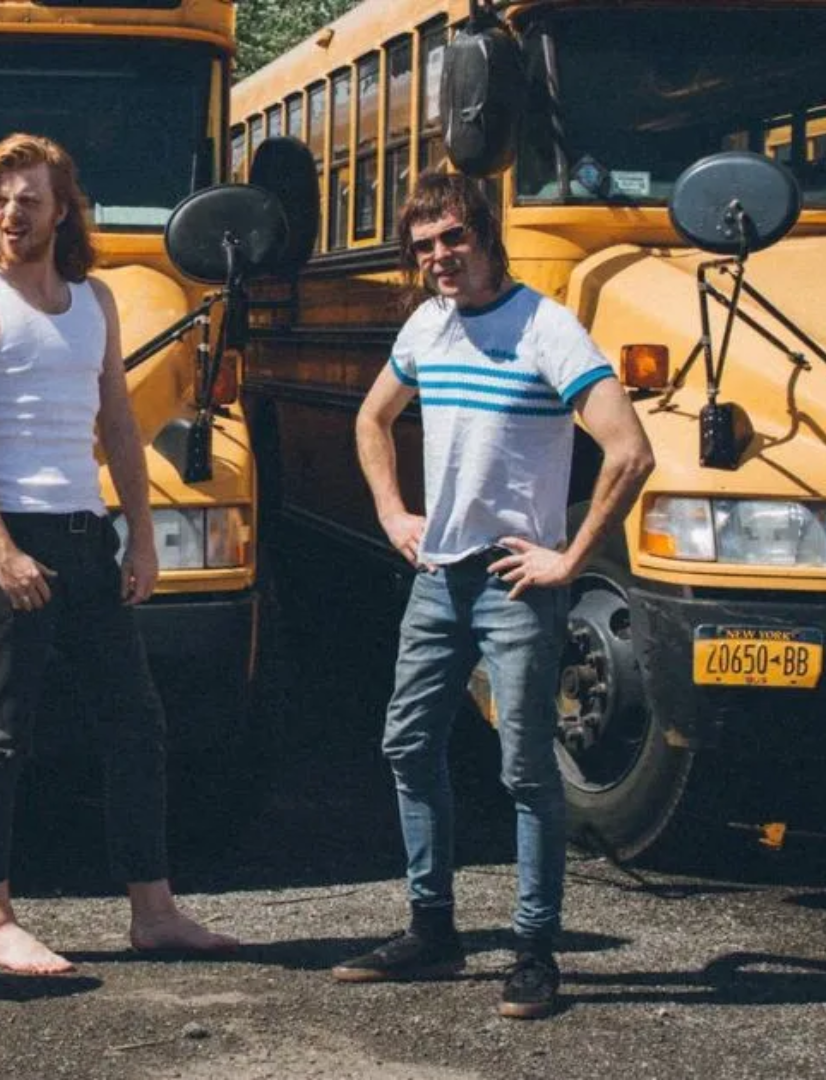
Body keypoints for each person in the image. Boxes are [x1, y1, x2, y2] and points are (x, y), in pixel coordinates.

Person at [338, 174, 653, 1018]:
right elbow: (372, 419)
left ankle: (534, 951)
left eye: (452, 238)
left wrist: (568, 560)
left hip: (517, 582)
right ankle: (432, 931)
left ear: (485, 236)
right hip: (439, 577)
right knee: (408, 744)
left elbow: (629, 451)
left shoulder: (546, 327)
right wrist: (393, 513)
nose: (438, 257)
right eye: (424, 244)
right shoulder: (428, 324)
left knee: (523, 768)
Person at [0, 133, 238, 975]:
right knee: (1, 733)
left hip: (84, 532)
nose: (10, 214)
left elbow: (119, 429)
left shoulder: (94, 300)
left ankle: (154, 909)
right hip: (11, 536)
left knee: (134, 720)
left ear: (63, 210)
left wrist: (139, 533)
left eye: (28, 200)